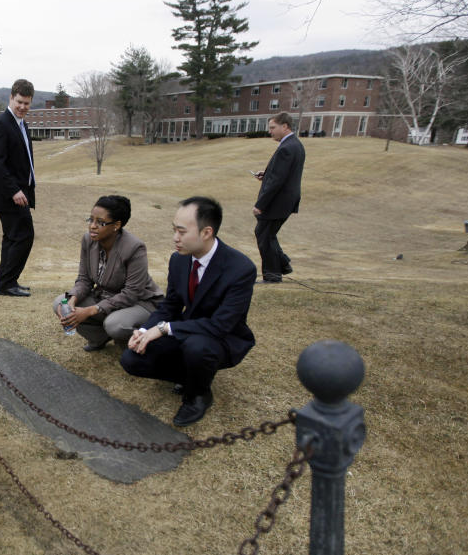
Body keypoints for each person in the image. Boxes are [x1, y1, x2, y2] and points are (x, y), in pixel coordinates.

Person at [121, 197, 256, 426]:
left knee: (198, 348)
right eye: (174, 230)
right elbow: (171, 305)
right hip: (187, 330)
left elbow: (220, 325)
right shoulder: (178, 260)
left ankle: (198, 395)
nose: (175, 238)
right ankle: (193, 376)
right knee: (131, 359)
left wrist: (164, 329)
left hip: (221, 339)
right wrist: (145, 330)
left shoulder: (241, 269)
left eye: (182, 232)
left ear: (206, 232)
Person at [53, 195, 162, 351]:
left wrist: (90, 310)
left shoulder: (134, 247)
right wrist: (72, 299)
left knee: (114, 324)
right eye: (90, 220)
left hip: (139, 302)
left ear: (116, 225)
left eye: (100, 222)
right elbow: (84, 279)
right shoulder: (88, 240)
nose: (92, 226)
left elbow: (131, 294)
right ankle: (99, 338)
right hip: (106, 297)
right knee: (60, 303)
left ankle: (138, 340)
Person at [0, 79, 36, 297]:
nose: (23, 107)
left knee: (13, 237)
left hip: (19, 191)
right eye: (19, 102)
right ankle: (7, 283)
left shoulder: (21, 123)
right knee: (23, 235)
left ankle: (7, 282)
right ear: (11, 98)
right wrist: (14, 190)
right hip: (9, 194)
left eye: (27, 103)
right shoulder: (1, 123)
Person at [252, 111, 305, 283]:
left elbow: (277, 181)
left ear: (285, 126)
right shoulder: (294, 144)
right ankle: (282, 265)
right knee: (267, 234)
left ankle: (273, 275)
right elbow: (279, 175)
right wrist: (265, 174)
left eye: (273, 127)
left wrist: (260, 204)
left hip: (278, 202)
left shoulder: (287, 148)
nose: (270, 131)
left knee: (264, 234)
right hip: (285, 202)